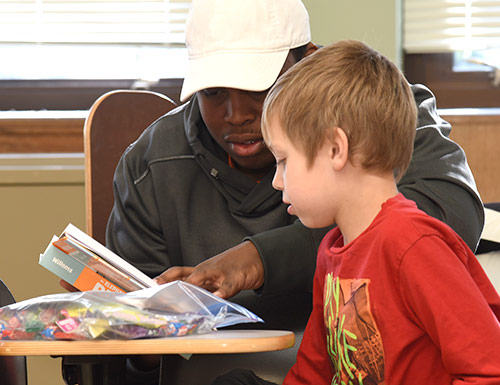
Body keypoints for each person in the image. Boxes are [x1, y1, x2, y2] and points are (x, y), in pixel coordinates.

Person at [104, 0, 484, 383]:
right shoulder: (332, 254)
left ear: (308, 62)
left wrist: (259, 258)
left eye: (256, 87)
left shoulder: (381, 117)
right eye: (214, 92)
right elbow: (313, 372)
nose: (235, 114)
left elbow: (486, 362)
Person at [212, 39, 500, 385]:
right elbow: (313, 373)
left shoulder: (413, 245)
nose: (276, 181)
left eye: (285, 161)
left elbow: (488, 370)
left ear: (336, 149)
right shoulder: (332, 250)